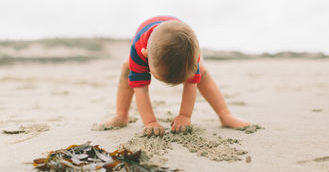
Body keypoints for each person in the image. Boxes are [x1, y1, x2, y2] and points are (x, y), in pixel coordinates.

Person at [98, 15, 250, 136]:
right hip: (146, 39)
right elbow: (140, 89)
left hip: (183, 40)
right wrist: (150, 122)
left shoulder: (190, 56)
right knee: (127, 68)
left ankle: (225, 115)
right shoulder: (139, 51)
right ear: (146, 56)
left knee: (201, 72)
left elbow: (191, 85)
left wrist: (184, 116)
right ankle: (121, 114)